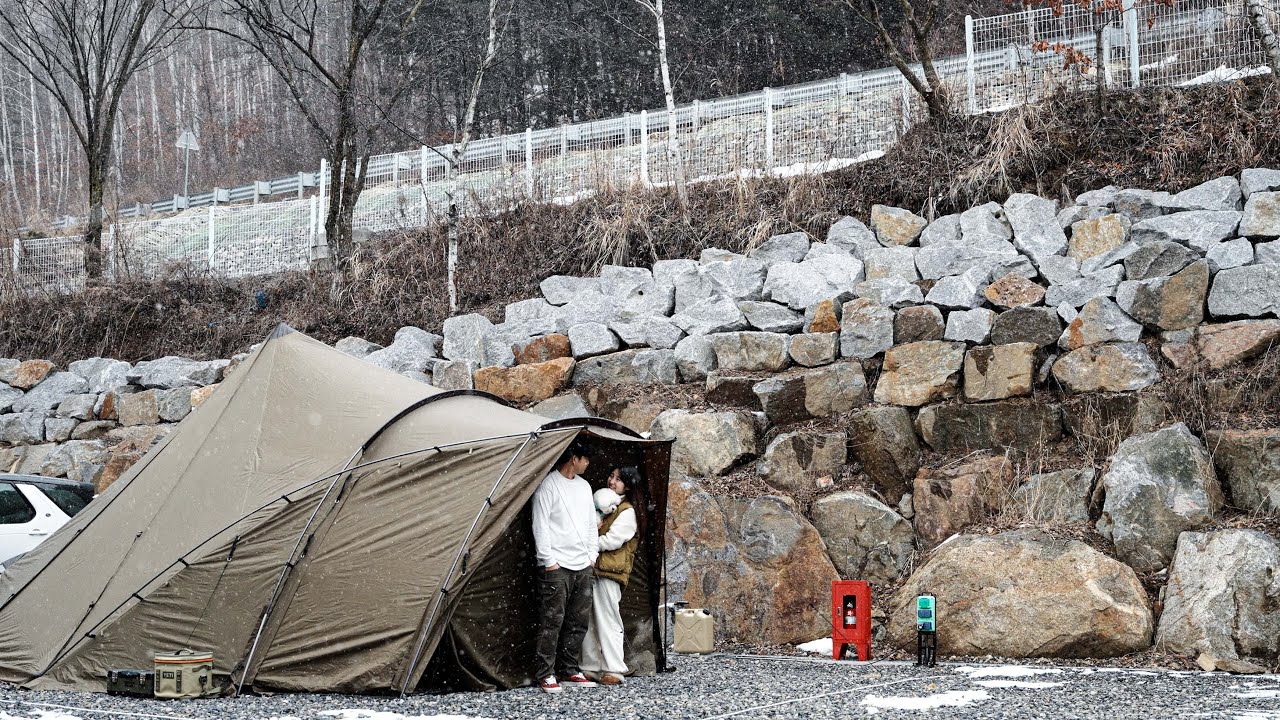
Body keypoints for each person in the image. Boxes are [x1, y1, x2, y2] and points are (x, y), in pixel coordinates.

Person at [531, 442, 599, 694]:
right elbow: (541, 525)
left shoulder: (585, 487)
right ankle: (545, 673)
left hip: (583, 564)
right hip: (557, 564)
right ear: (573, 459)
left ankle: (570, 669)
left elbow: (592, 524)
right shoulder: (548, 486)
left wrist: (592, 555)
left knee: (578, 620)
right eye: (585, 459)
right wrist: (549, 560)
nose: (588, 463)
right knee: (552, 620)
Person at [581, 465, 642, 687]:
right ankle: (590, 666)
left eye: (618, 479)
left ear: (628, 484)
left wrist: (587, 543)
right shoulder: (601, 505)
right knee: (588, 619)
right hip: (593, 568)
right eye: (611, 476)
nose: (612, 481)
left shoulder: (628, 511)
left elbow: (613, 540)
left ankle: (614, 668)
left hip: (610, 572)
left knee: (608, 618)